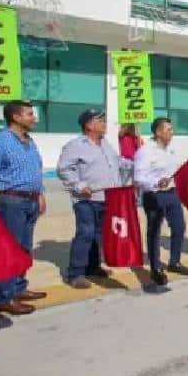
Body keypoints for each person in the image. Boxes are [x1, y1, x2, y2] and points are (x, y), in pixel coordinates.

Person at [0, 100, 47, 316]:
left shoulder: (29, 141)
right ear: (15, 117)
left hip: (31, 201)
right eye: (29, 114)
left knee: (24, 249)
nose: (33, 118)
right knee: (9, 249)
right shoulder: (0, 142)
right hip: (10, 202)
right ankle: (5, 297)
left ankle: (19, 288)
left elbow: (36, 169)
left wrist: (40, 193)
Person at [57, 110, 132, 289]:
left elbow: (118, 162)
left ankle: (93, 266)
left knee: (99, 235)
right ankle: (75, 273)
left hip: (107, 197)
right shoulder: (75, 145)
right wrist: (79, 185)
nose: (104, 123)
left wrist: (139, 164)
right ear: (89, 125)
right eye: (100, 120)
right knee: (85, 233)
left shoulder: (105, 143)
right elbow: (64, 169)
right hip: (86, 199)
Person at [133, 117, 188, 287]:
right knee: (154, 232)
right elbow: (138, 178)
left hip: (172, 194)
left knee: (179, 227)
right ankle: (155, 268)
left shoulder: (170, 150)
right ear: (158, 132)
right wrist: (155, 183)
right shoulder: (145, 152)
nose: (172, 133)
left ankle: (175, 261)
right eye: (168, 130)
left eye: (172, 129)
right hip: (154, 195)